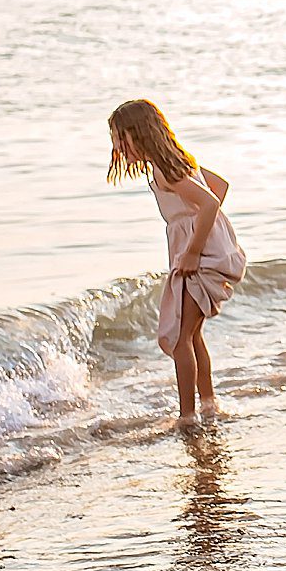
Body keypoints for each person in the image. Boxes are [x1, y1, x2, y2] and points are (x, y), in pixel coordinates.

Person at [108, 99, 246, 424]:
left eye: (120, 138)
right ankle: (209, 405)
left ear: (139, 134)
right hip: (202, 247)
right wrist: (196, 224)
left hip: (199, 255)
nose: (116, 146)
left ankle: (188, 416)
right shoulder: (178, 161)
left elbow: (210, 201)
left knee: (181, 338)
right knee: (192, 334)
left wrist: (194, 247)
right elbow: (220, 186)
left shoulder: (165, 168)